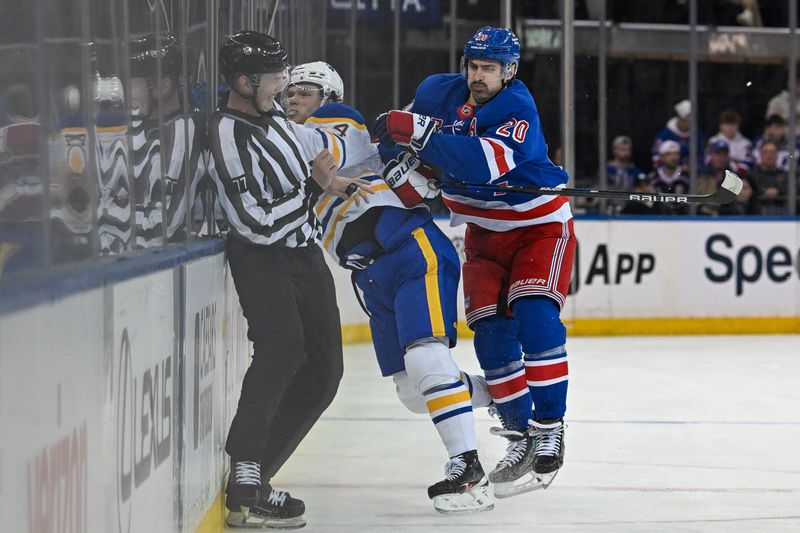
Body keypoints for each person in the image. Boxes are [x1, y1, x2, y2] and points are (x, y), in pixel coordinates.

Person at [284, 61, 495, 514]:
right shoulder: (286, 148)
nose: (292, 99)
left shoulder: (337, 117)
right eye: (287, 93)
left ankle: (470, 474)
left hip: (408, 250)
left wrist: (253, 119)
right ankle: (503, 392)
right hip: (370, 275)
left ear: (325, 95)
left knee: (425, 357)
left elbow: (317, 149)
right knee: (412, 393)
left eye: (303, 90)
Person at [374, 26, 575, 498]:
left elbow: (481, 163)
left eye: (489, 68)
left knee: (535, 314)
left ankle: (549, 425)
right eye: (473, 66)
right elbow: (391, 138)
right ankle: (520, 431)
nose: (478, 76)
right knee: (489, 331)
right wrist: (405, 162)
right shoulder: (435, 91)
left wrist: (417, 134)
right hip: (483, 232)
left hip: (539, 227)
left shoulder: (517, 106)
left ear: (509, 71)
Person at [206, 31, 364, 529]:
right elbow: (255, 222)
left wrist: (329, 181)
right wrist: (314, 188)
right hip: (263, 260)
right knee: (280, 350)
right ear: (244, 81)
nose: (283, 87)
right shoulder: (224, 133)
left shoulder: (271, 114)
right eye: (275, 78)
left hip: (304, 256)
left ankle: (257, 479)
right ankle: (247, 468)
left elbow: (297, 172)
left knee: (324, 373)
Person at [128, 32, 207, 247]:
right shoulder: (131, 128)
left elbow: (165, 223)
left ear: (179, 78)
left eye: (158, 76)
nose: (149, 83)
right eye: (143, 77)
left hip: (165, 256)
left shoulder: (186, 129)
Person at [651, 98, 705, 172]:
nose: (689, 123)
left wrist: (695, 168)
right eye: (686, 119)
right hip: (670, 174)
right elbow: (656, 157)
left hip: (692, 175)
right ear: (679, 117)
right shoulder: (665, 135)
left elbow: (701, 156)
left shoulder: (697, 135)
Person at [649, 140, 690, 215]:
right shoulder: (653, 177)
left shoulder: (687, 176)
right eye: (668, 154)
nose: (673, 158)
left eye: (676, 154)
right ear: (661, 157)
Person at [706, 110, 752, 176]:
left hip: (738, 176)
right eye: (726, 124)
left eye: (733, 124)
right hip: (716, 175)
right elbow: (707, 159)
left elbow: (748, 162)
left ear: (738, 125)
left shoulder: (746, 143)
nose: (729, 127)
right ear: (721, 126)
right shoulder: (713, 141)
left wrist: (735, 173)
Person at [750, 140, 789, 215]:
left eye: (772, 153)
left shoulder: (785, 175)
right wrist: (763, 191)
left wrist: (778, 191)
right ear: (760, 155)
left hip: (783, 216)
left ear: (777, 155)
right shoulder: (752, 175)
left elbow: (792, 189)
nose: (769, 156)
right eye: (765, 152)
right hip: (756, 216)